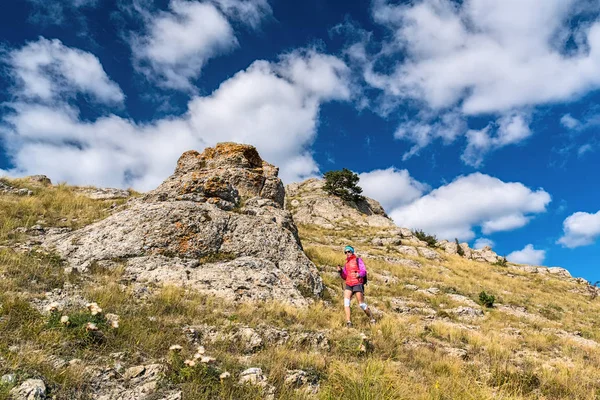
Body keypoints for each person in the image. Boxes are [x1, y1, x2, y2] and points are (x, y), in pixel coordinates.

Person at [336, 245, 375, 327]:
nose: (347, 253)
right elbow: (345, 276)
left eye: (349, 251)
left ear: (352, 252)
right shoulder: (346, 264)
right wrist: (340, 272)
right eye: (345, 252)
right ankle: (349, 322)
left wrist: (359, 274)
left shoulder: (358, 260)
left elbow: (364, 271)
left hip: (357, 283)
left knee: (361, 304)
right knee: (346, 303)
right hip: (349, 284)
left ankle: (371, 318)